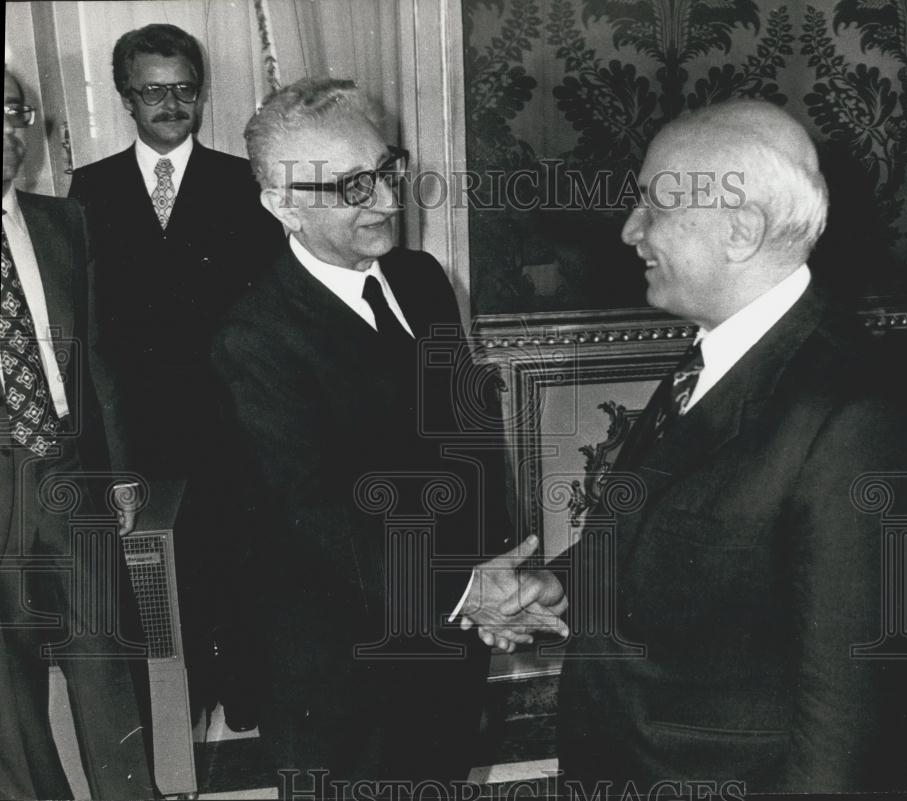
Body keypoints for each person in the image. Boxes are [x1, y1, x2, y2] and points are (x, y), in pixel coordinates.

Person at [480, 100, 907, 793]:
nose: (631, 230)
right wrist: (563, 580)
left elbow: (846, 723)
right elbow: (674, 538)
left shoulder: (853, 412)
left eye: (653, 206)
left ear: (740, 231)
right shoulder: (715, 357)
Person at [211, 77, 566, 793]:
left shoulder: (422, 278)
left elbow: (469, 440)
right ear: (281, 204)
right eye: (348, 186)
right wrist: (468, 590)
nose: (383, 199)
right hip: (340, 672)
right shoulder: (251, 337)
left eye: (386, 169)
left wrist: (494, 573)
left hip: (445, 643)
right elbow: (310, 517)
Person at [68, 23, 284, 730]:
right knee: (159, 571)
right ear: (127, 96)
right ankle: (177, 708)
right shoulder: (88, 188)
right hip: (140, 423)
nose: (169, 103)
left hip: (231, 415)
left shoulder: (240, 180)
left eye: (183, 89)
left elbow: (269, 302)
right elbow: (88, 320)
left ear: (201, 94)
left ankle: (248, 692)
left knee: (239, 555)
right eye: (152, 89)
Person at [1, 65, 155, 800]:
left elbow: (96, 356)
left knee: (105, 659)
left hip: (67, 470)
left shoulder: (63, 221)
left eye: (12, 114)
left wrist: (120, 466)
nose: (4, 132)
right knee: (7, 692)